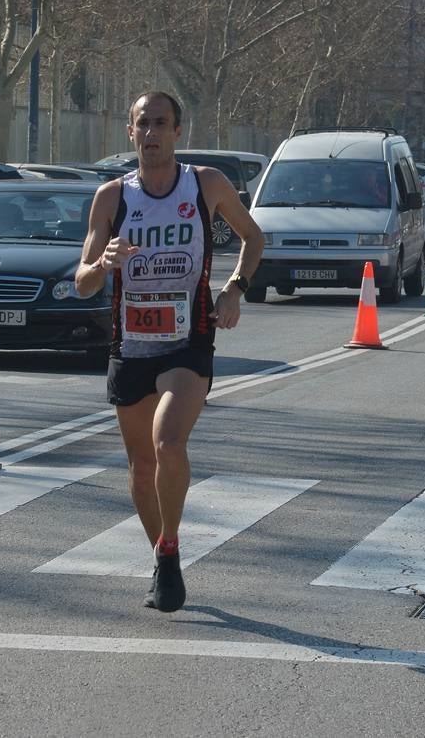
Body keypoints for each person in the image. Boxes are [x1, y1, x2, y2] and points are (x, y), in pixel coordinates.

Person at [75, 90, 264, 613]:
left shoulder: (205, 185)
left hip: (188, 339)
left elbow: (254, 237)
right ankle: (164, 555)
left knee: (168, 443)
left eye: (162, 123)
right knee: (139, 468)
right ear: (129, 132)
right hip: (131, 341)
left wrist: (234, 289)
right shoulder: (112, 198)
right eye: (143, 124)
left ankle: (172, 542)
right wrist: (104, 263)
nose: (152, 133)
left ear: (178, 132)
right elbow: (83, 283)